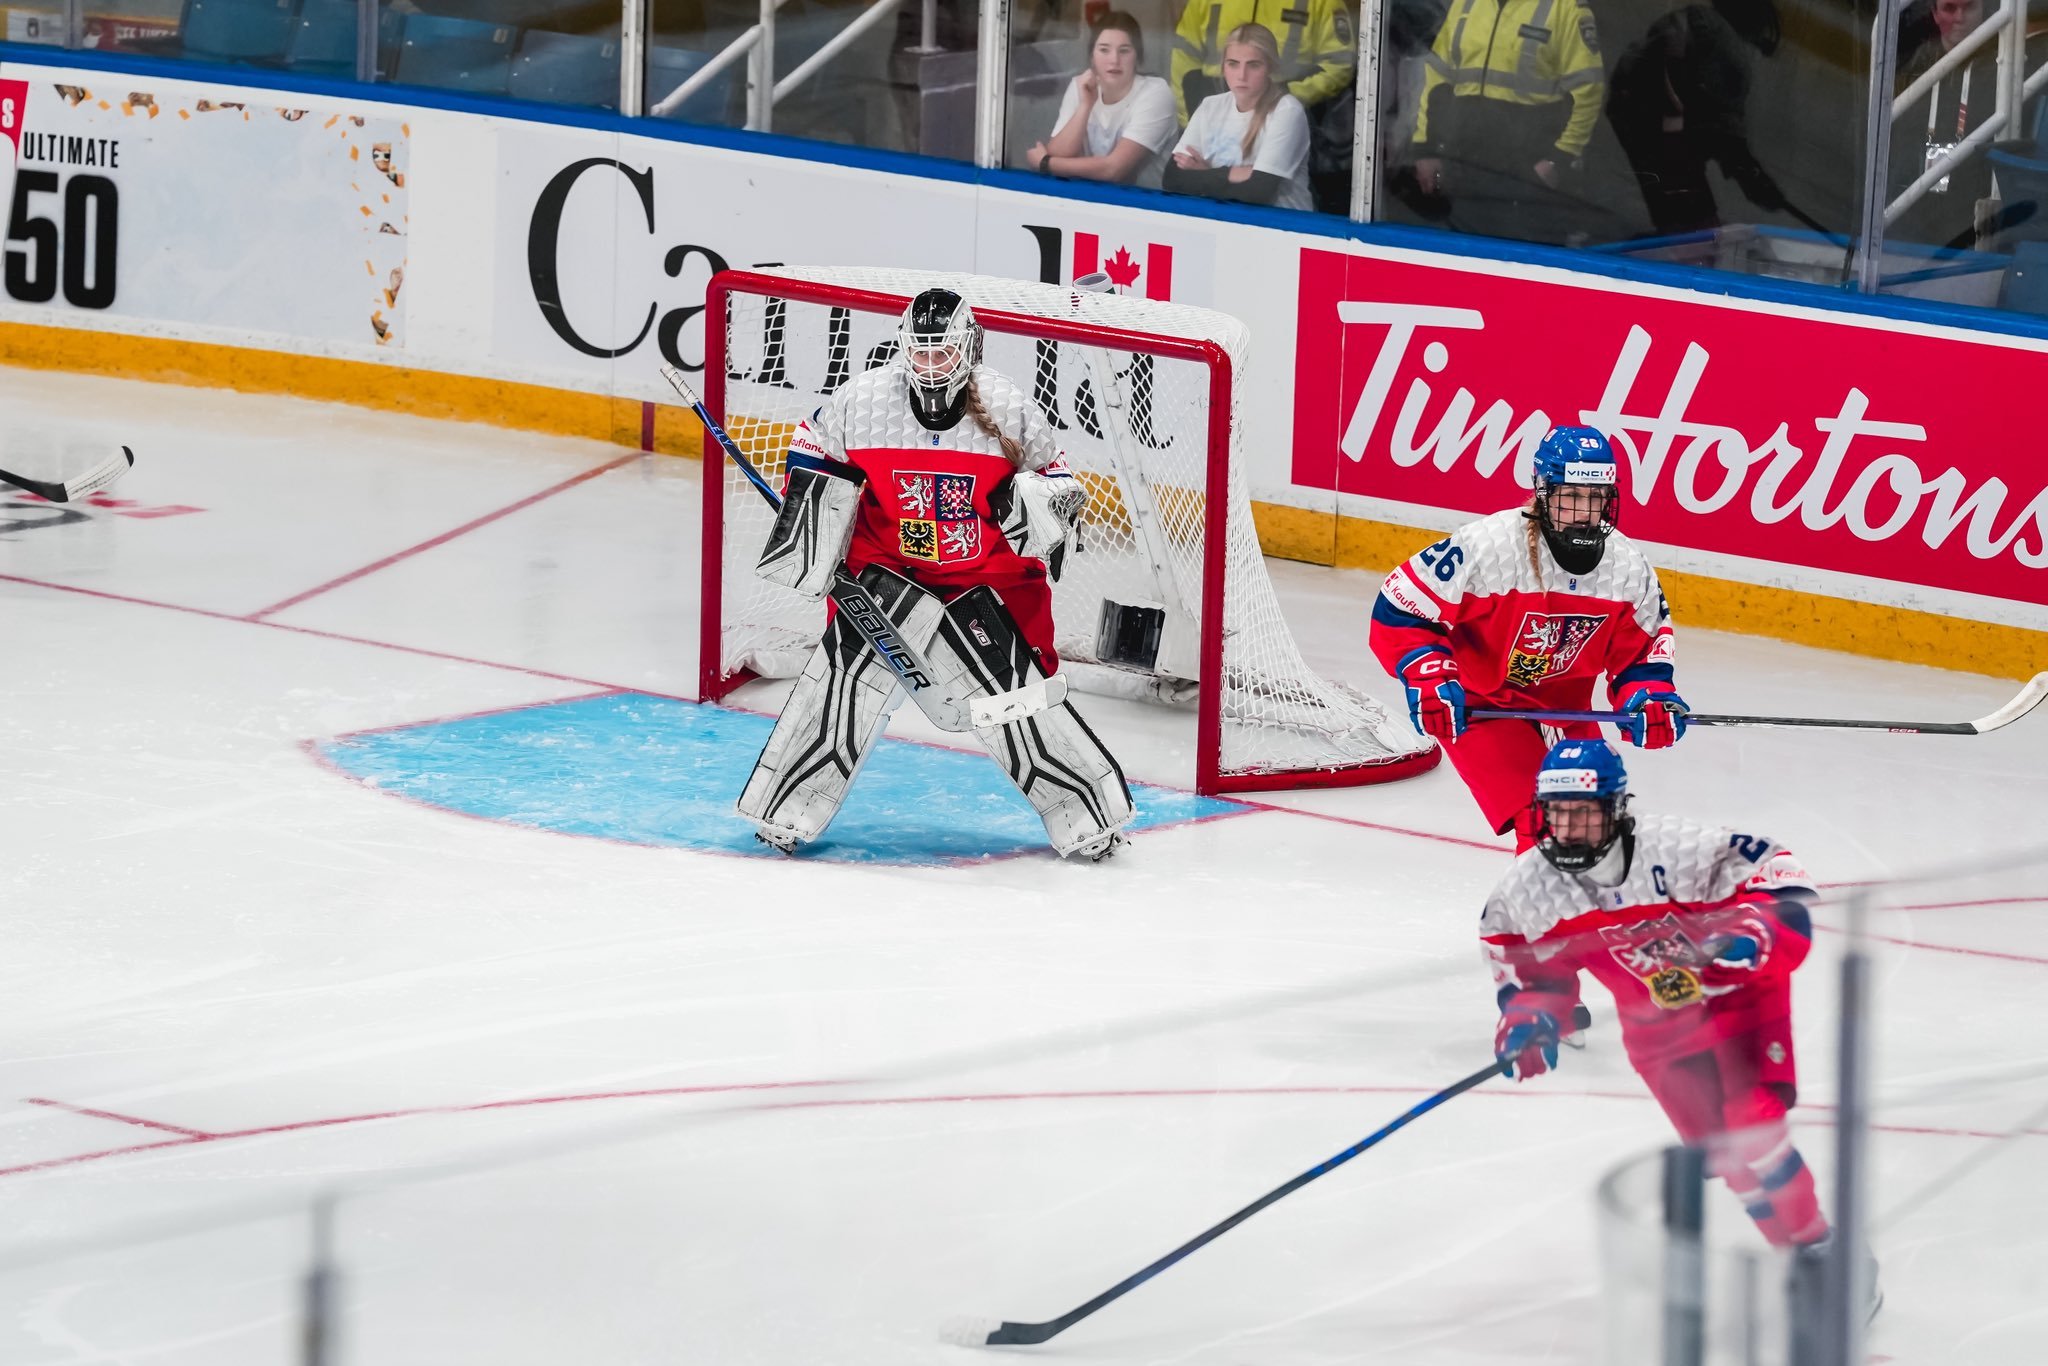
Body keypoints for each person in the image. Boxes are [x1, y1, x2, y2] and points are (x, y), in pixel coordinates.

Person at [738, 288, 1135, 861]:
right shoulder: (864, 401)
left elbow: (1058, 483)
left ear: (968, 348)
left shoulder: (1008, 407)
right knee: (843, 686)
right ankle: (785, 813)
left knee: (1020, 699)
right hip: (884, 571)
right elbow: (812, 450)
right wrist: (812, 516)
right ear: (903, 348)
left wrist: (1040, 509)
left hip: (986, 578)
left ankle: (1086, 818)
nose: (930, 365)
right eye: (920, 352)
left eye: (942, 352)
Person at [1482, 739, 1872, 1307]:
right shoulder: (1528, 890)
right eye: (1557, 814)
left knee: (1754, 1129)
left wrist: (1751, 935)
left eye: (1584, 813)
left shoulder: (1680, 848)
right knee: (1727, 1155)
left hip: (1740, 1003)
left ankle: (1822, 1254)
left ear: (1617, 808)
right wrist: (1529, 1018)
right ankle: (1797, 1253)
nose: (1568, 830)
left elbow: (1780, 874)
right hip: (1656, 1028)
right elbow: (1525, 968)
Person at [1368, 426, 1687, 848]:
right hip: (1482, 707)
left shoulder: (1627, 567)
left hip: (1565, 712)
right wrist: (1429, 676)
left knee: (1594, 824)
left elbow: (1641, 656)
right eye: (1571, 496)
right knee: (1550, 824)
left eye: (1595, 498)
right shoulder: (1491, 547)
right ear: (1544, 493)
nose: (1584, 511)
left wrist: (1649, 697)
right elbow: (1401, 608)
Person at [1408, 0, 1606, 244]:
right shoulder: (1466, 3)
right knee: (1467, 260)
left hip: (1528, 182)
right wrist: (1426, 149)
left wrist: (1559, 159)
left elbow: (1589, 91)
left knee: (1526, 263)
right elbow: (1435, 79)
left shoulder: (1563, 7)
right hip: (1466, 173)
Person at [1606, 0, 1785, 234]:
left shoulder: (1696, 17)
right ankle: (1683, 240)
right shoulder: (1729, 51)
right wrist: (1751, 176)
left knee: (1676, 214)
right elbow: (1726, 132)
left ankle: (1672, 238)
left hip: (1632, 109)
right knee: (1693, 223)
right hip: (1662, 125)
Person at [1163, 24, 1315, 211]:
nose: (1242, 75)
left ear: (1270, 68)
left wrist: (1204, 174)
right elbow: (1172, 179)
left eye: (1254, 65)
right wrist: (1231, 174)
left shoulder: (1287, 111)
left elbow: (1258, 192)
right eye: (1233, 64)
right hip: (1221, 218)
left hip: (1283, 223)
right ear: (1223, 67)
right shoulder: (1210, 106)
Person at [1026, 11, 1179, 187]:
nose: (1114, 60)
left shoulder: (1156, 93)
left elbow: (1114, 171)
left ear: (1137, 56)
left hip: (1142, 201)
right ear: (1092, 57)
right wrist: (1085, 106)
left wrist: (1046, 164)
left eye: (1124, 51)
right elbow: (1058, 153)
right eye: (1104, 50)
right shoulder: (1080, 85)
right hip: (1083, 196)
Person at [1889, 0, 1995, 250]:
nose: (1959, 17)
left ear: (1983, 10)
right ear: (1935, 15)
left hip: (1970, 212)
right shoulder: (1913, 67)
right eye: (1949, 8)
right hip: (1914, 207)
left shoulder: (2001, 64)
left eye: (1969, 7)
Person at [1169, 0, 1356, 124]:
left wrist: (1287, 98)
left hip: (1283, 119)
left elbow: (1340, 63)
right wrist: (1191, 122)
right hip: (1215, 117)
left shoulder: (1321, 2)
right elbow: (1184, 60)